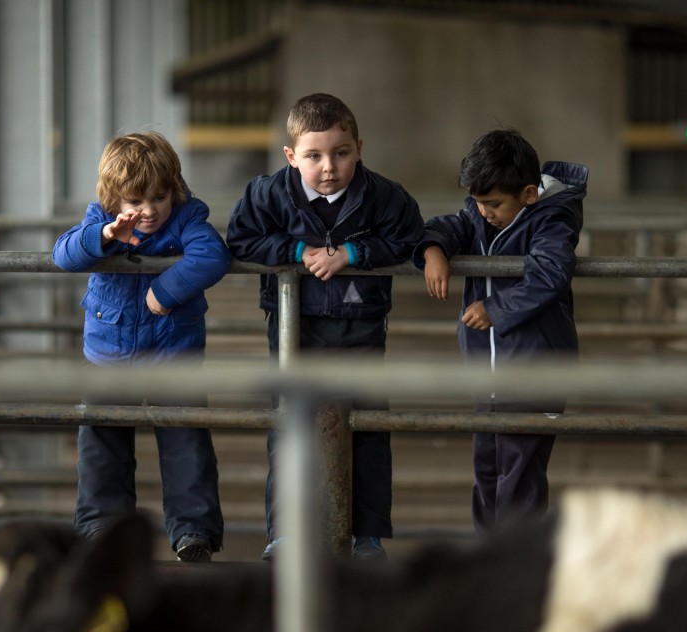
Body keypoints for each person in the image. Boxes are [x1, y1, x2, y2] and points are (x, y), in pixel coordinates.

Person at [226, 93, 424, 562]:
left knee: (368, 427)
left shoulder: (384, 196)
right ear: (291, 156)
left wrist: (353, 253)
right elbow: (241, 239)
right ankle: (287, 531)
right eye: (313, 156)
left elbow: (409, 238)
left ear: (359, 147)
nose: (329, 167)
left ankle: (367, 535)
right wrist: (297, 252)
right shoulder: (267, 194)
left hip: (360, 327)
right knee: (290, 427)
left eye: (341, 153)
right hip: (294, 329)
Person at [52, 131, 230, 562]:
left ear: (175, 190)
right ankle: (102, 528)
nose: (148, 210)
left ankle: (194, 533)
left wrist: (165, 291)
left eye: (159, 197)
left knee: (186, 443)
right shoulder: (100, 219)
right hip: (109, 354)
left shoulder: (186, 218)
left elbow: (212, 255)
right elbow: (63, 255)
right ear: (113, 198)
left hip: (174, 353)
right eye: (135, 201)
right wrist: (104, 235)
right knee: (102, 443)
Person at [414, 128, 588, 536]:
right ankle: (488, 557)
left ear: (528, 194)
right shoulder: (481, 215)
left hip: (533, 372)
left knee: (520, 476)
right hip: (488, 373)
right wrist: (432, 249)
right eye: (478, 201)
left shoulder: (551, 220)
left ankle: (517, 564)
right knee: (488, 471)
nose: (484, 212)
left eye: (493, 204)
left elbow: (550, 273)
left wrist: (495, 308)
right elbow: (451, 226)